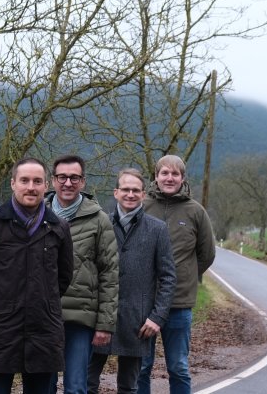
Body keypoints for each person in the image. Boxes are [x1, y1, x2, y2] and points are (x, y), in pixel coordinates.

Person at [0, 157, 74, 394]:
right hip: (2, 328)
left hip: (44, 328)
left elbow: (64, 277)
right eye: (24, 180)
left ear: (46, 185)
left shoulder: (58, 227)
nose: (31, 187)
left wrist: (43, 301)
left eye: (37, 181)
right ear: (13, 183)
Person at [87, 168, 176, 394]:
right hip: (99, 317)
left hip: (138, 321)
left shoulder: (158, 229)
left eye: (136, 190)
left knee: (128, 387)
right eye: (125, 189)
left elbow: (168, 277)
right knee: (86, 383)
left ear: (143, 194)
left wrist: (157, 317)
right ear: (116, 192)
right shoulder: (100, 224)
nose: (130, 194)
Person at [136, 155, 216, 394]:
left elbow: (206, 254)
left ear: (182, 178)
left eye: (175, 174)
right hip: (143, 301)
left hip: (179, 303)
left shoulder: (196, 212)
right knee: (141, 367)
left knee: (178, 367)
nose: (169, 178)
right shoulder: (142, 206)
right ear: (156, 177)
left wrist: (186, 275)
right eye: (164, 173)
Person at [44, 155, 118, 394]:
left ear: (83, 182)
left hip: (80, 319)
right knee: (42, 386)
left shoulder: (99, 220)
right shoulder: (36, 214)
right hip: (42, 315)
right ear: (52, 180)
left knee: (76, 387)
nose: (68, 183)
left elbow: (109, 274)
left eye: (74, 177)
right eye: (62, 177)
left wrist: (105, 324)